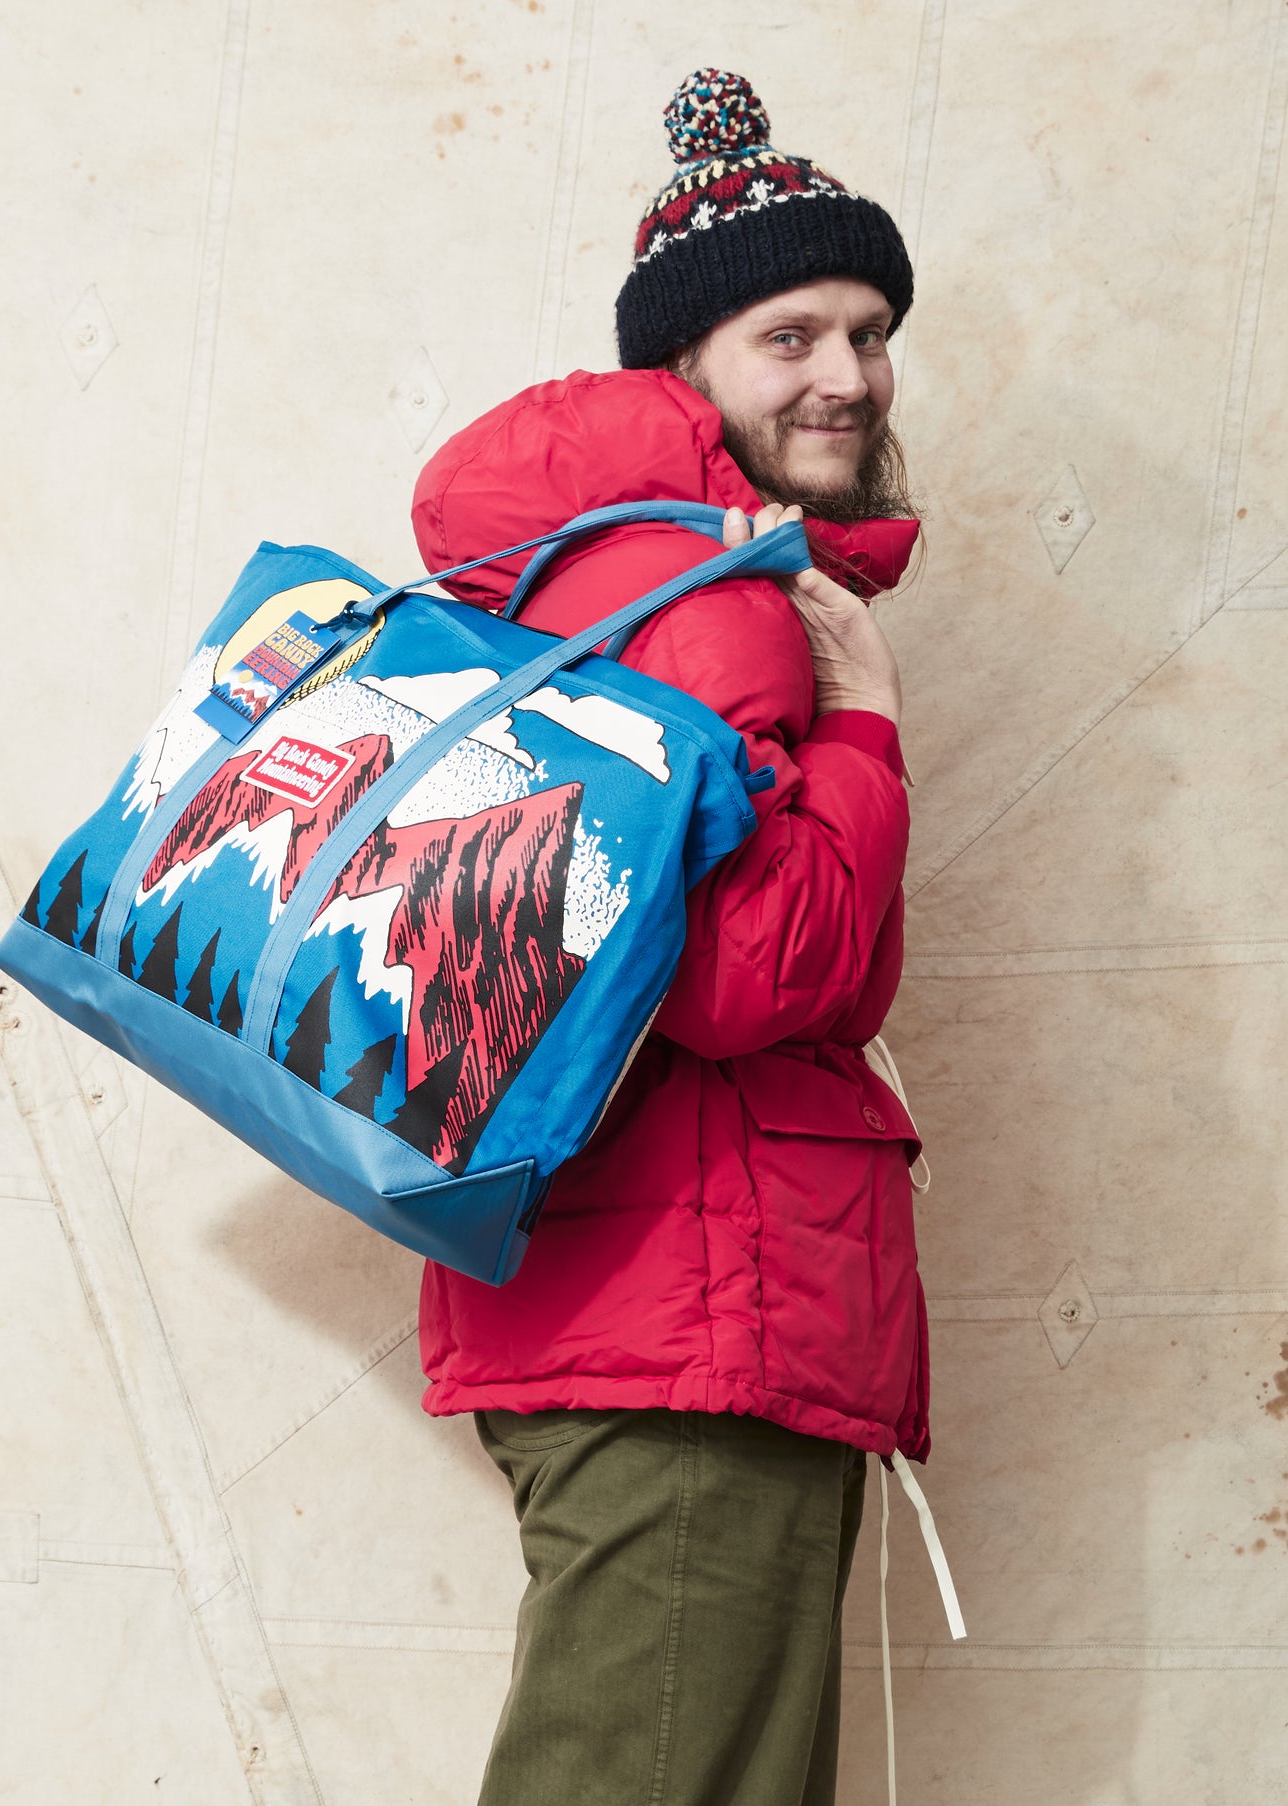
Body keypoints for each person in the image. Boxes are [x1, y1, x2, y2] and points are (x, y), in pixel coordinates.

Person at [411, 68, 928, 1806]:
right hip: (702, 1311)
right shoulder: (715, 594)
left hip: (646, 1292)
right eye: (790, 334)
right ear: (685, 366)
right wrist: (861, 729)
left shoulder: (593, 569)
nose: (847, 376)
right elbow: (747, 976)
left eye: (867, 331)